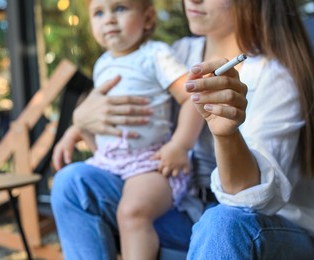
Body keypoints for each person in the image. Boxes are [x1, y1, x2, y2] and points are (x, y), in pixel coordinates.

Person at [51, 0, 314, 259]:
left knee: (222, 222)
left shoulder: (273, 78)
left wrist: (226, 135)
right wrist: (80, 120)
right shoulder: (180, 53)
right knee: (72, 181)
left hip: (271, 229)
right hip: (191, 210)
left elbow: (249, 200)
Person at [51, 0, 204, 259]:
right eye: (99, 13)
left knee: (132, 212)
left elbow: (192, 97)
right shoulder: (102, 65)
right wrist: (71, 133)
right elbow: (100, 115)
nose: (109, 19)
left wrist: (180, 144)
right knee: (66, 185)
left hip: (151, 163)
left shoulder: (155, 54)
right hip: (110, 162)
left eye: (119, 8)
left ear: (147, 18)